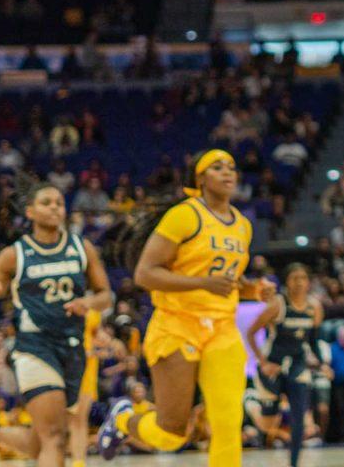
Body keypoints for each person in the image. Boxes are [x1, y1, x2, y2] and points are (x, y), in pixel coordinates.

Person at [96, 149, 275, 466]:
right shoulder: (185, 215)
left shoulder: (243, 226)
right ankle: (124, 419)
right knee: (172, 433)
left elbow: (230, 278)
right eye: (217, 167)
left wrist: (254, 289)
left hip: (221, 328)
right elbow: (145, 274)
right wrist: (203, 284)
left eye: (231, 167)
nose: (227, 173)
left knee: (228, 422)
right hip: (177, 325)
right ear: (201, 178)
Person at [0, 182, 112, 467]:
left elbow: (105, 295)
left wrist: (88, 304)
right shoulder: (14, 254)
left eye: (58, 202)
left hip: (73, 348)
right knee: (54, 438)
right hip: (34, 347)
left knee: (45, 441)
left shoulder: (82, 248)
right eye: (46, 202)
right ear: (30, 212)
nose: (55, 207)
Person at [245, 263, 323, 467]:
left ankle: (294, 463)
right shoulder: (278, 305)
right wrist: (262, 362)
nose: (299, 282)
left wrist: (321, 363)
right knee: (269, 424)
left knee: (299, 419)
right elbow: (251, 332)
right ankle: (252, 405)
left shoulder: (314, 306)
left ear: (308, 282)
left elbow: (313, 341)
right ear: (287, 282)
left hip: (297, 365)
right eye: (294, 278)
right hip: (273, 366)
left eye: (303, 278)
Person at [70, 309, 103, 467]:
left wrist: (102, 344)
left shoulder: (93, 312)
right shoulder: (60, 303)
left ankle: (78, 462)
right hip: (65, 362)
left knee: (80, 418)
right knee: (60, 419)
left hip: (88, 367)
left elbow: (98, 336)